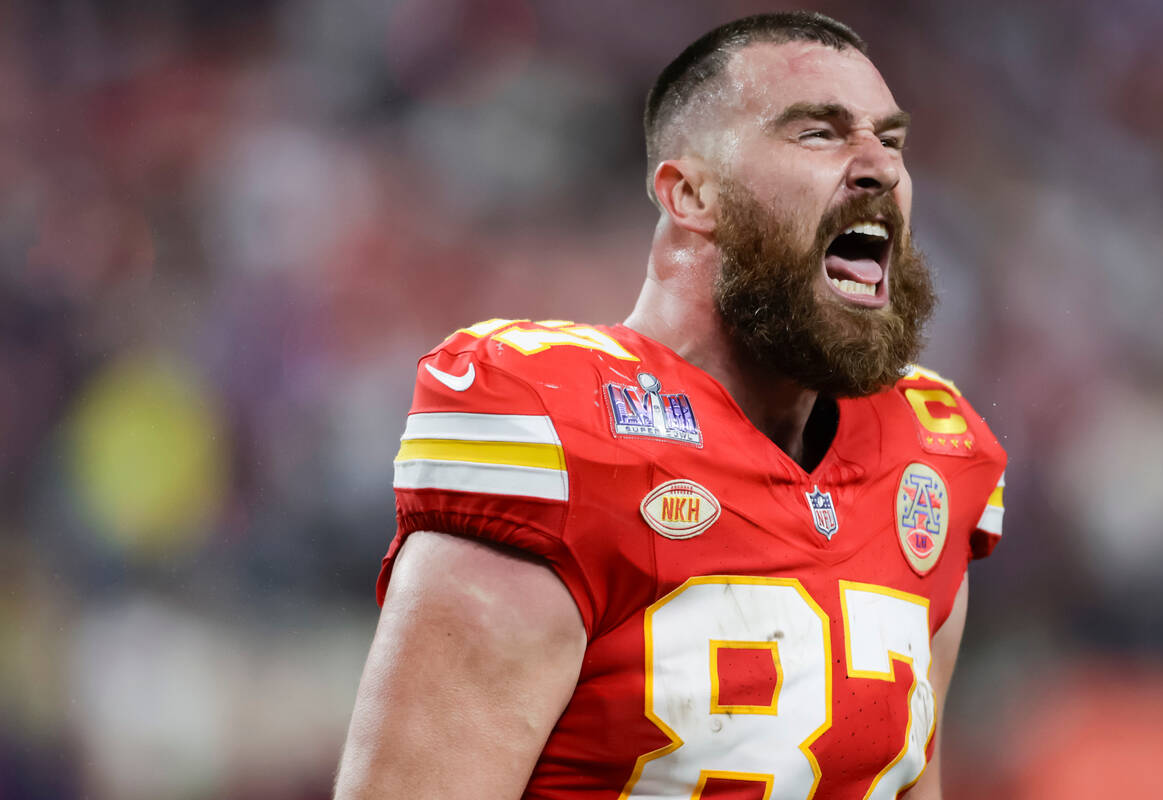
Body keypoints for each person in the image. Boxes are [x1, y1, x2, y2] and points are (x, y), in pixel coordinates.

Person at [335, 11, 1006, 800]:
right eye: (818, 134)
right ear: (690, 193)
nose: (878, 168)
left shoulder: (931, 457)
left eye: (889, 142)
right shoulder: (557, 432)